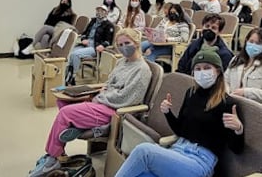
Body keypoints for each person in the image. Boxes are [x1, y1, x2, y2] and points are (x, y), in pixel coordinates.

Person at [28, 28, 152, 177]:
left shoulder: (142, 69)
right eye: (120, 44)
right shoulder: (122, 61)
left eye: (127, 43)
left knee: (65, 113)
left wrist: (101, 96)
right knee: (62, 100)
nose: (123, 47)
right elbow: (109, 83)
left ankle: (52, 157)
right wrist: (101, 91)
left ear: (137, 43)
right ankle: (81, 129)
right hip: (105, 100)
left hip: (114, 110)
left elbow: (128, 98)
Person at [115, 46, 244, 177]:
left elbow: (236, 149)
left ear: (218, 71)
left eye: (207, 68)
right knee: (142, 174)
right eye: (198, 69)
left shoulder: (227, 103)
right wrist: (168, 113)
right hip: (178, 149)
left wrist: (238, 129)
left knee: (144, 151)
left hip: (200, 161)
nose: (202, 72)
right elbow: (180, 130)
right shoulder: (191, 93)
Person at [64, 5, 114, 86]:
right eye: (98, 10)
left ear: (106, 13)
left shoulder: (108, 25)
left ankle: (73, 76)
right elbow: (84, 33)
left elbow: (108, 41)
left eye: (102, 11)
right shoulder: (93, 21)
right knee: (70, 53)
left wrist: (103, 46)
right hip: (85, 44)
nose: (99, 12)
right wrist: (83, 39)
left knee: (75, 54)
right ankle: (69, 75)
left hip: (95, 46)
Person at [224, 28, 262, 103]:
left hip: (254, 109)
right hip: (232, 103)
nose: (253, 45)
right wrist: (227, 92)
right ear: (246, 41)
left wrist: (246, 92)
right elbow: (225, 80)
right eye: (251, 41)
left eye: (258, 43)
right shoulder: (236, 59)